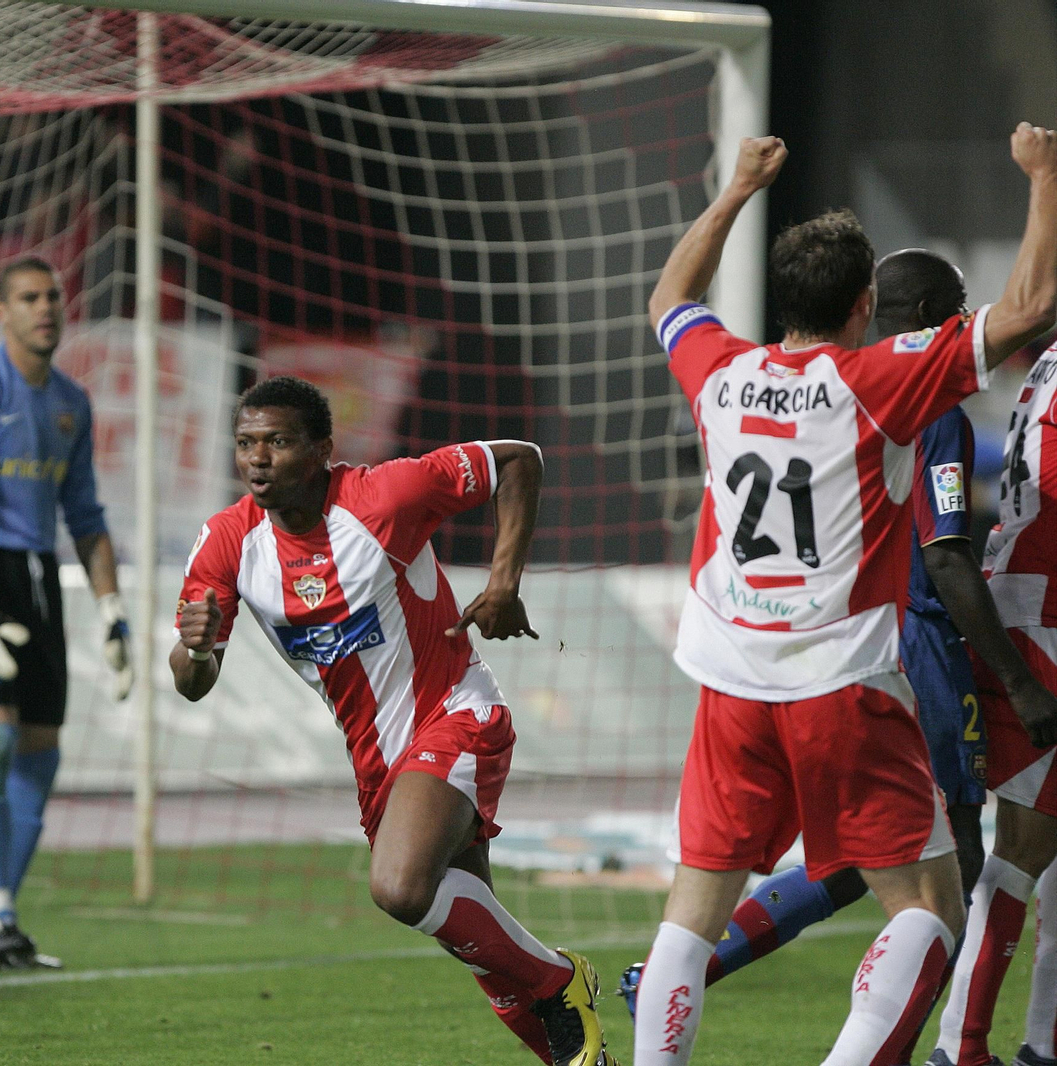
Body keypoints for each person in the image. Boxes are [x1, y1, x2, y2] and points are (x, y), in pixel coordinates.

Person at [632, 125, 1057, 1066]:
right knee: (931, 906)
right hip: (842, 688)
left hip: (728, 684)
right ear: (867, 304)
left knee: (691, 912)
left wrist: (737, 190)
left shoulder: (722, 372)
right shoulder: (879, 382)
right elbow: (1028, 309)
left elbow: (670, 295)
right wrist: (1044, 176)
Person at [173, 375, 618, 1066]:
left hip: (457, 713)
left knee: (400, 887)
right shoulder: (229, 543)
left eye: (279, 442)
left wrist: (503, 583)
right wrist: (195, 647)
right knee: (482, 951)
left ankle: (562, 978)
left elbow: (519, 459)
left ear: (322, 449)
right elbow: (194, 683)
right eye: (245, 443)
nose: (258, 459)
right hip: (379, 762)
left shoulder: (385, 495)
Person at [0, 255, 134, 969]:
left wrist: (111, 609)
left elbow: (85, 514)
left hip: (40, 576)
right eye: (29, 297)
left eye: (53, 296)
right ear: (0, 311)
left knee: (42, 751)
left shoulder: (71, 401)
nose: (46, 308)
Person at [928, 342, 1057, 1063]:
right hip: (1045, 618)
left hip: (1028, 602)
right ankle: (961, 1046)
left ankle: (1042, 1042)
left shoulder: (1048, 362)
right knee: (1023, 848)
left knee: (1037, 845)